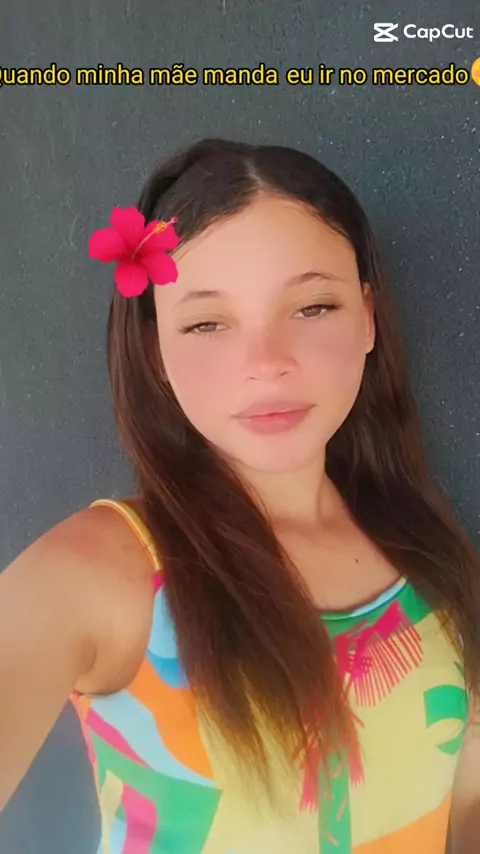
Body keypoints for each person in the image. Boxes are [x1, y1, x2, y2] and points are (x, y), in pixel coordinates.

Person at [1, 137, 480, 854]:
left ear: (368, 317)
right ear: (156, 351)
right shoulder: (98, 576)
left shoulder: (428, 547)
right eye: (206, 323)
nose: (267, 364)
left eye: (312, 307)